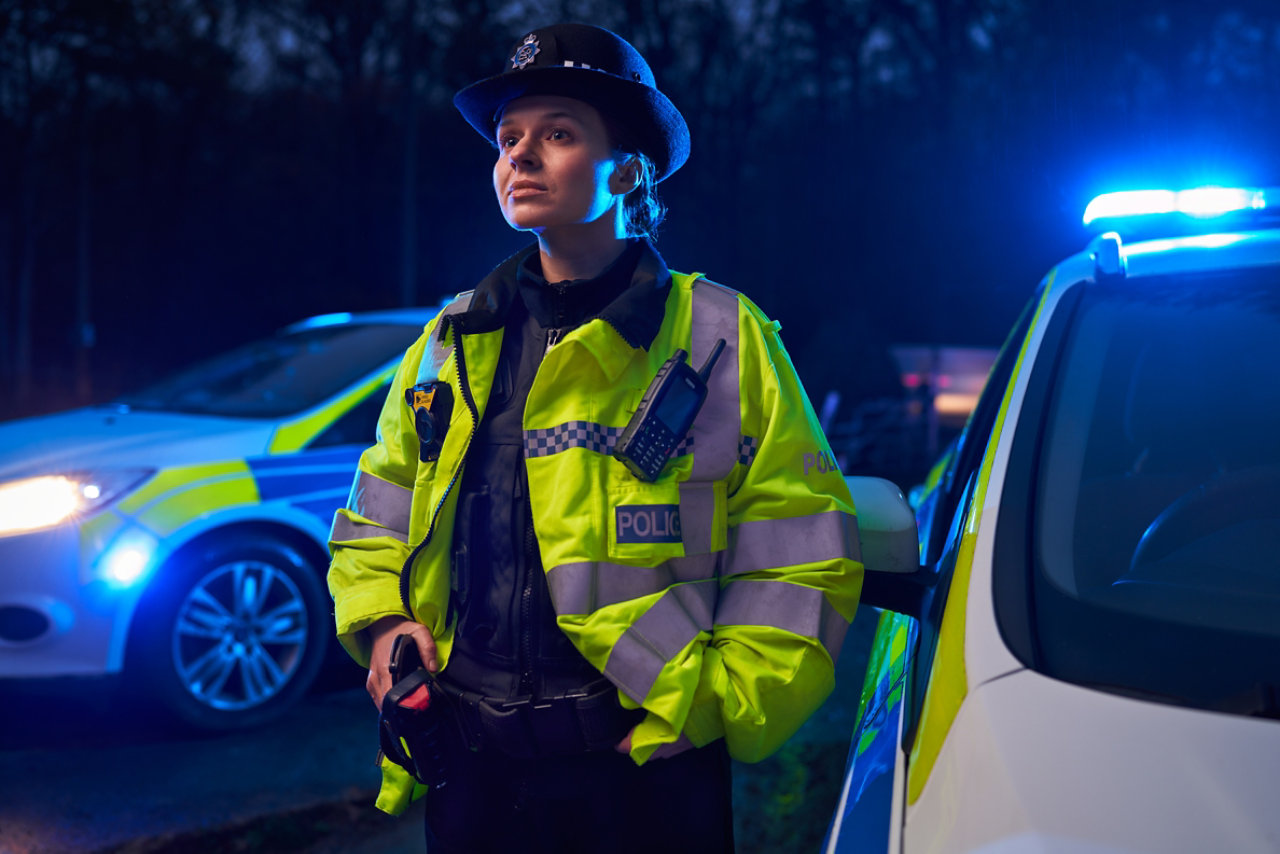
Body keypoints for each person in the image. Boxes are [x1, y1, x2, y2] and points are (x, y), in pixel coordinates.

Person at [327, 22, 862, 854]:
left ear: (630, 169)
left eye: (559, 134)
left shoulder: (721, 336)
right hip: (470, 776)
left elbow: (800, 551)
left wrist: (716, 702)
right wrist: (385, 623)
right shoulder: (452, 340)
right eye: (509, 139)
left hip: (640, 779)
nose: (521, 156)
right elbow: (378, 515)